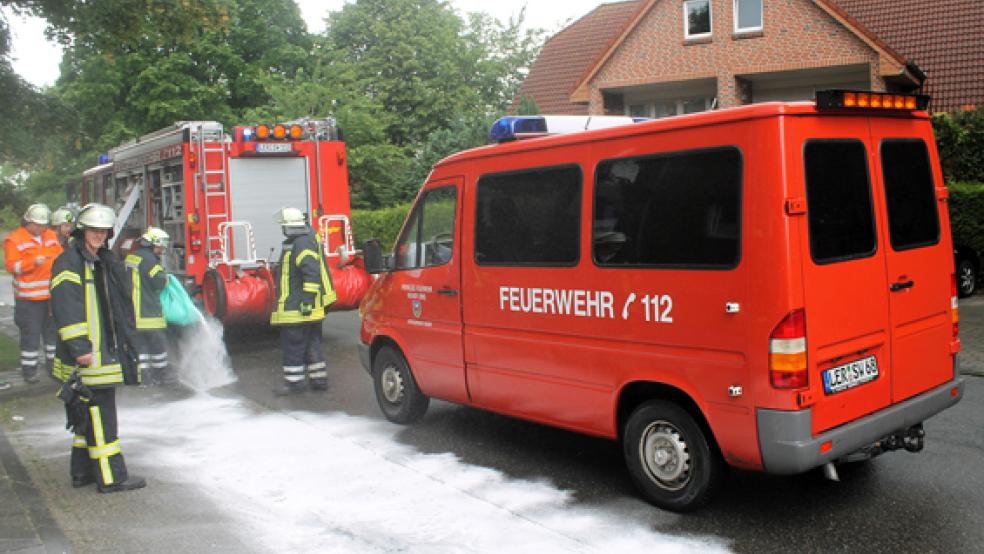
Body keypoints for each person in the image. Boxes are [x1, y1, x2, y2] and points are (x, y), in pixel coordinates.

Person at [50, 203, 145, 493]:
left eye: (104, 231)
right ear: (82, 230)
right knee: (102, 416)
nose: (100, 235)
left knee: (85, 413)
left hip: (101, 353)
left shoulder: (99, 260)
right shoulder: (69, 263)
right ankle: (111, 477)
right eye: (94, 230)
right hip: (89, 355)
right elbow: (67, 308)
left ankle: (83, 472)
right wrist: (80, 347)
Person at [270, 207, 336, 395]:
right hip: (307, 310)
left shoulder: (301, 244)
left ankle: (294, 383)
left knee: (293, 345)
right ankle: (318, 380)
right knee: (312, 343)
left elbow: (311, 273)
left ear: (289, 227)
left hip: (297, 310)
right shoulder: (304, 240)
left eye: (283, 226)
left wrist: (306, 301)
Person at [4, 203, 62, 384]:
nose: (40, 228)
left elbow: (60, 256)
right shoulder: (15, 239)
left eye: (43, 225)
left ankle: (54, 367)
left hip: (51, 297)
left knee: (52, 334)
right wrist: (32, 263)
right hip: (28, 299)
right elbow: (12, 266)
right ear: (28, 222)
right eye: (37, 225)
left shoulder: (50, 236)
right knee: (31, 335)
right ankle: (29, 371)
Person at [124, 227, 172, 386]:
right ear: (154, 243)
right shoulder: (150, 260)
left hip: (132, 311)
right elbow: (159, 282)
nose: (162, 249)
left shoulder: (132, 257)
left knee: (141, 348)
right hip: (148, 311)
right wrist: (166, 279)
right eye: (161, 245)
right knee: (158, 347)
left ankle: (144, 378)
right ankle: (161, 377)